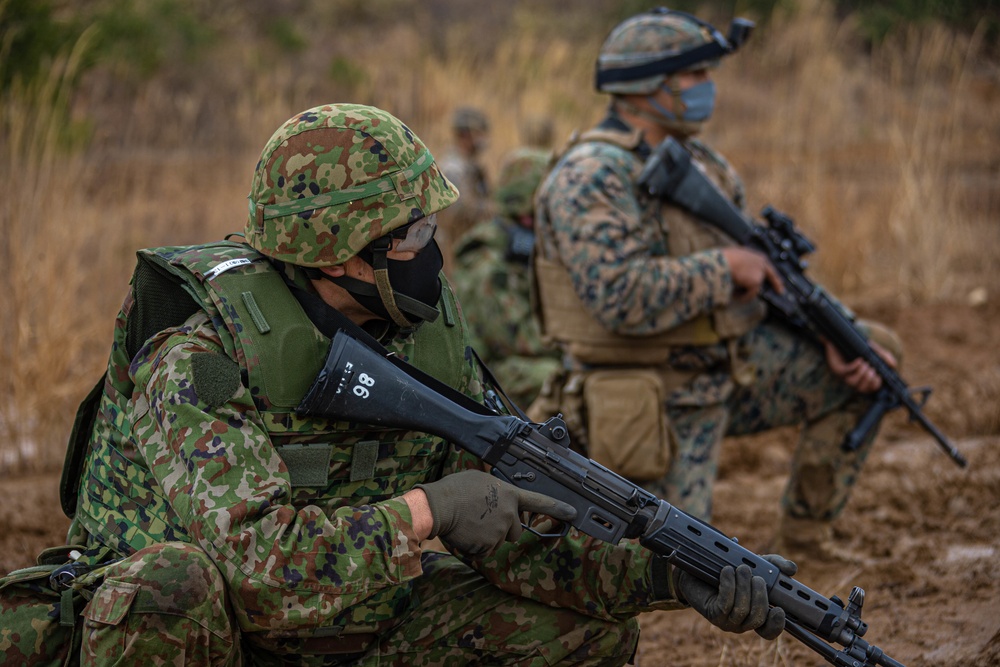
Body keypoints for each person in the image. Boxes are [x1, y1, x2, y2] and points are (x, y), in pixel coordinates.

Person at [0, 103, 794, 666]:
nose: (433, 247)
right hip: (203, 634)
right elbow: (256, 572)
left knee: (584, 634)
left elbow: (516, 529)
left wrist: (668, 574)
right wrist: (430, 509)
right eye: (415, 231)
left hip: (349, 620)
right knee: (173, 583)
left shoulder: (419, 324)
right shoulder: (201, 349)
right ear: (344, 252)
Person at [531, 8, 902, 559]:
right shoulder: (592, 174)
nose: (709, 89)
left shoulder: (703, 164)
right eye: (696, 76)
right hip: (650, 394)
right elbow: (618, 297)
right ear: (648, 85)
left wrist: (828, 332)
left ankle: (809, 543)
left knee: (873, 355)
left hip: (726, 367)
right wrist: (723, 268)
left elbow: (761, 278)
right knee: (668, 572)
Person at [452, 147, 561, 409]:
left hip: (510, 362)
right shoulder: (487, 258)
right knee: (558, 377)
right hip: (484, 375)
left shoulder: (521, 249)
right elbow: (513, 339)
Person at [436, 105, 493, 274]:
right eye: (480, 133)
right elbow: (457, 211)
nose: (484, 139)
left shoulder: (471, 166)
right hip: (455, 255)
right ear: (466, 135)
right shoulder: (454, 168)